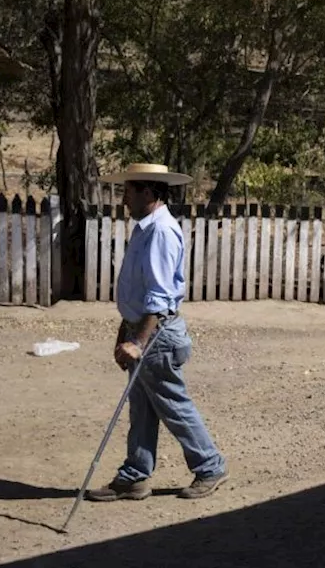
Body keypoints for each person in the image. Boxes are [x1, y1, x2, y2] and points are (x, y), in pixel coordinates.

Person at [86, 163, 229, 501]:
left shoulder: (161, 231)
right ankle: (135, 475)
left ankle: (210, 465)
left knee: (172, 404)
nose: (124, 200)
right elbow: (139, 291)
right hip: (144, 331)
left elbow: (160, 296)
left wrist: (139, 340)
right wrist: (125, 332)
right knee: (142, 407)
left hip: (157, 335)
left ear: (148, 192)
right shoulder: (145, 228)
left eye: (128, 192)